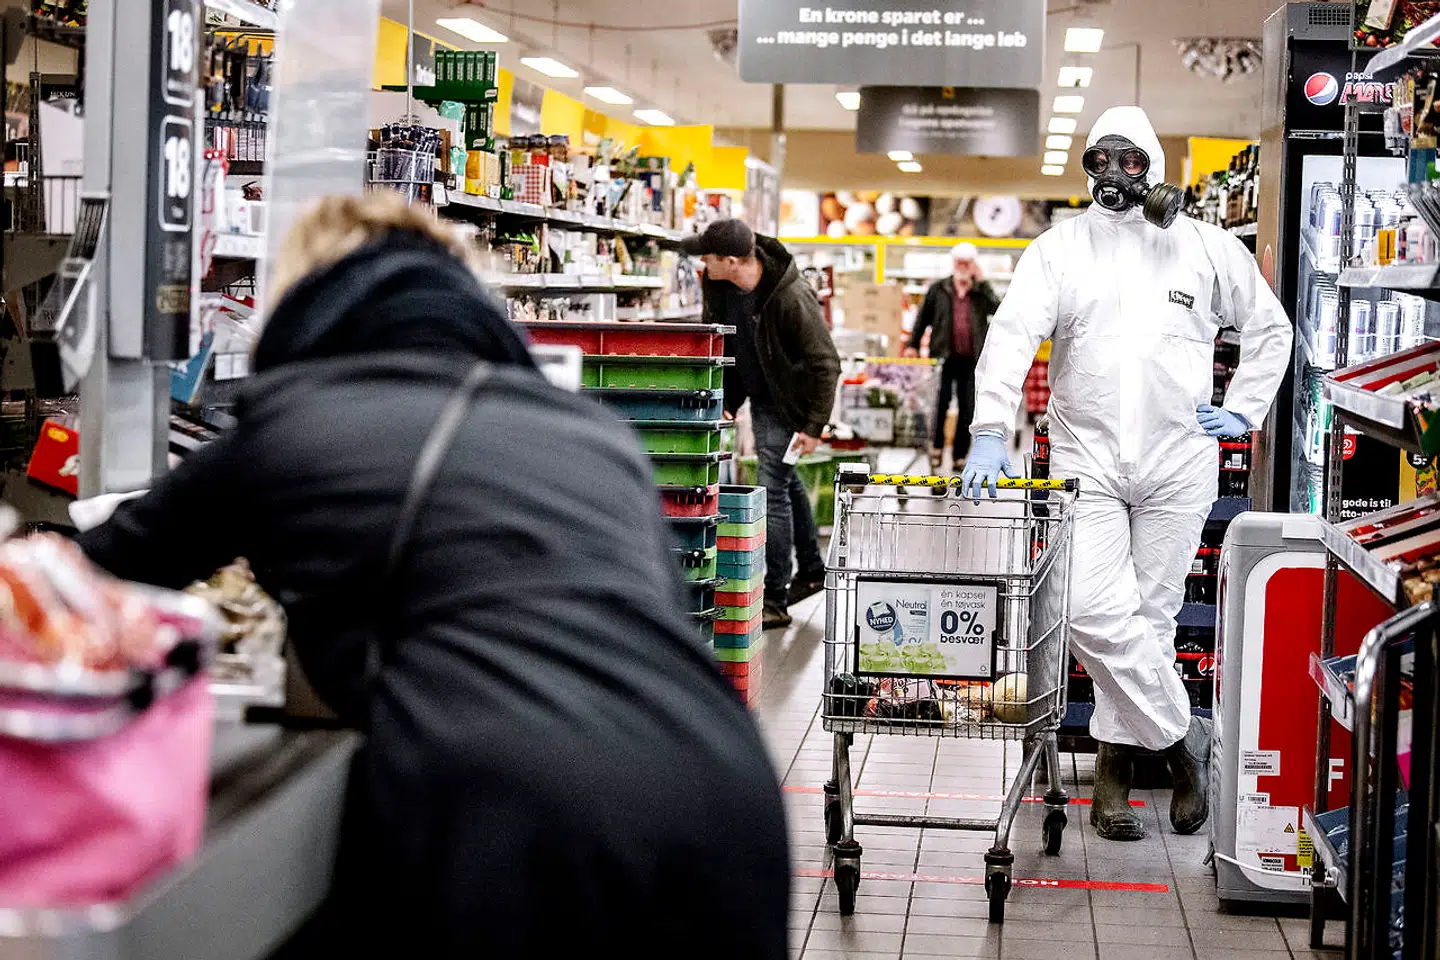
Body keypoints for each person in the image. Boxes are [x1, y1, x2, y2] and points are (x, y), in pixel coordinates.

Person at [74, 193, 791, 956]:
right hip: (724, 786)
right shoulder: (590, 429)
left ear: (309, 301)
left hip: (515, 809)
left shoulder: (298, 423)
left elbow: (88, 579)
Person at [961, 106, 1292, 841]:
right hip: (1089, 456)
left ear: (1153, 165)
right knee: (1088, 610)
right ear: (1086, 166)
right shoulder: (1060, 249)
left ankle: (1112, 780)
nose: (1114, 175)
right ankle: (1184, 744)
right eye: (1100, 160)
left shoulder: (1202, 247)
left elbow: (1271, 328)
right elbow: (1012, 336)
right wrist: (988, 427)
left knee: (1151, 618)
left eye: (1131, 161)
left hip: (1180, 461)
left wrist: (1244, 408)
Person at [684, 219, 841, 630]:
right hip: (759, 395)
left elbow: (826, 363)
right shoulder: (717, 284)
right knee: (785, 481)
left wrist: (813, 426)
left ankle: (775, 597)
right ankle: (811, 569)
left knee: (772, 490)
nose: (702, 260)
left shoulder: (790, 297)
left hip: (790, 403)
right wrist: (727, 399)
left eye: (709, 255)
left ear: (732, 261)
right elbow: (725, 342)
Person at [903, 242, 1001, 471]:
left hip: (970, 360)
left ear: (974, 265)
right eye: (960, 262)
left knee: (968, 408)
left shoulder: (980, 292)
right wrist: (912, 344)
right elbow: (922, 318)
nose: (963, 267)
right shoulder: (938, 289)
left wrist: (983, 283)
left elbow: (998, 309)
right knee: (939, 405)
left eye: (967, 263)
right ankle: (936, 448)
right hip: (943, 358)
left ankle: (959, 455)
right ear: (954, 263)